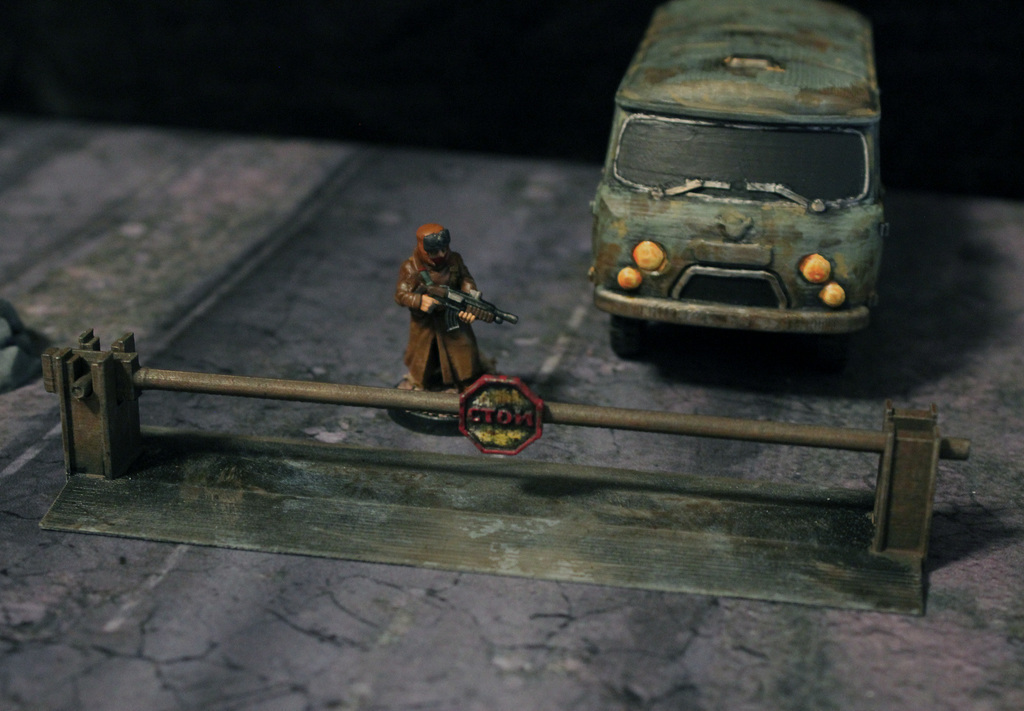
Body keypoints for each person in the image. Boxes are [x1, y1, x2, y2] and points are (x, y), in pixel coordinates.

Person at [394, 223, 490, 391]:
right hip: (426, 322)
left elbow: (466, 280)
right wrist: (419, 300)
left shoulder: (454, 260)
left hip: (452, 314)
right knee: (423, 358)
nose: (441, 255)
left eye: (444, 249)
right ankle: (418, 383)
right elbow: (400, 295)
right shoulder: (411, 268)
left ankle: (467, 383)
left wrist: (470, 301)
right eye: (434, 252)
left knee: (463, 351)